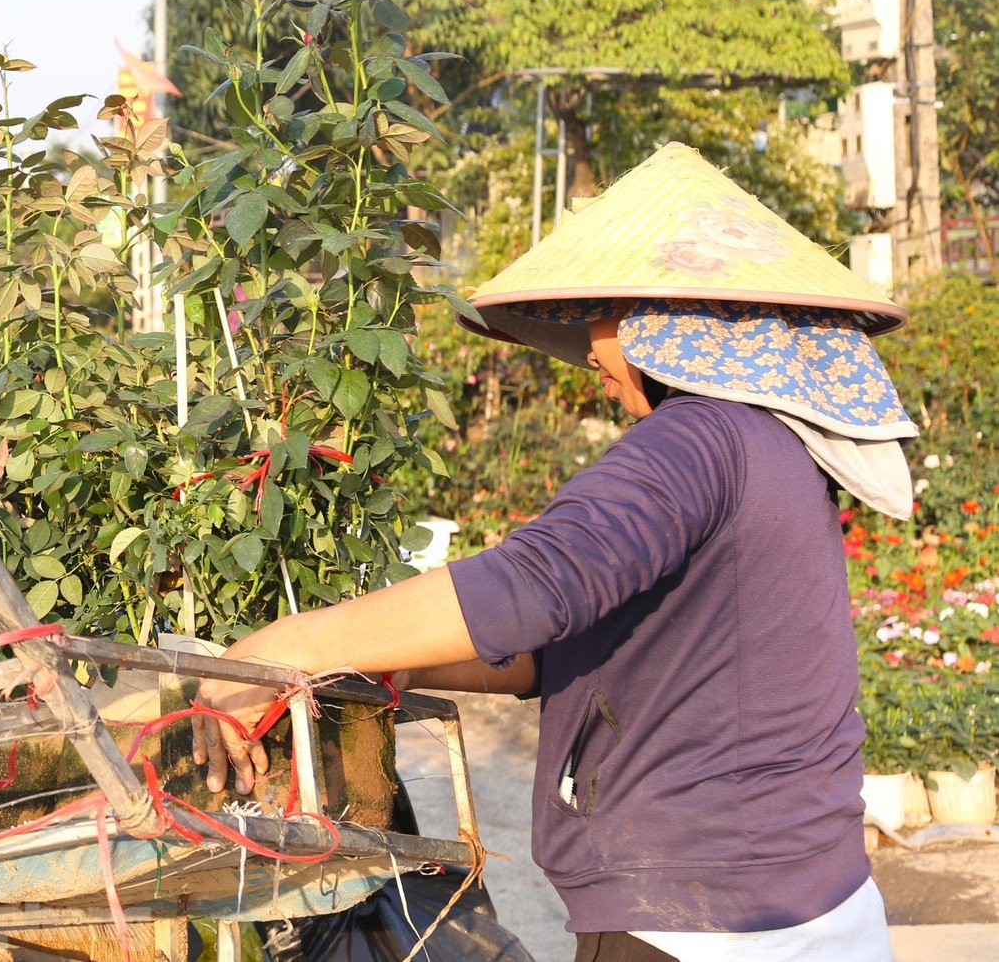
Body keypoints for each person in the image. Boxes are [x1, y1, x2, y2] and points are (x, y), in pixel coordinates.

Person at [193, 143, 913, 962]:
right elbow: (555, 648)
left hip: (697, 923)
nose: (593, 350)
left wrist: (279, 646)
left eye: (606, 318)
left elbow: (533, 586)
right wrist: (381, 664)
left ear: (667, 320)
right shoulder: (770, 447)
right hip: (814, 905)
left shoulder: (700, 437)